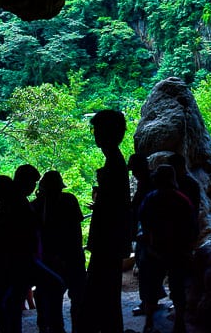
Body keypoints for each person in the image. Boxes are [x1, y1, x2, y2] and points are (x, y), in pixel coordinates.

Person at [77, 109, 132, 333]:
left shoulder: (114, 166)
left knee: (102, 291)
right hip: (111, 243)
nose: (95, 135)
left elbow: (115, 208)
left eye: (97, 130)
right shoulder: (115, 162)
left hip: (107, 243)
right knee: (106, 292)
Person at [0, 166, 44, 333]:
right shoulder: (19, 204)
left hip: (11, 261)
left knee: (4, 302)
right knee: (10, 303)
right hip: (16, 261)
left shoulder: (13, 204)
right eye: (32, 182)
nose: (33, 187)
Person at [137, 164, 198, 333]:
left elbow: (143, 221)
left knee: (151, 288)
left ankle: (148, 322)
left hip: (154, 251)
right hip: (178, 252)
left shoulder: (150, 198)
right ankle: (179, 322)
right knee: (178, 288)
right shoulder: (182, 199)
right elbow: (192, 227)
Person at [31, 169, 86, 333]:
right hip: (71, 256)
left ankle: (52, 328)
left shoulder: (36, 206)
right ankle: (76, 328)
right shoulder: (69, 200)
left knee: (49, 297)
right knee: (76, 297)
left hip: (51, 259)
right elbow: (76, 229)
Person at [128, 152, 161, 318]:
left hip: (147, 233)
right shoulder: (147, 181)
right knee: (148, 266)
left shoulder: (148, 183)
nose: (132, 172)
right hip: (147, 232)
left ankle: (148, 302)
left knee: (146, 266)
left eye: (133, 169)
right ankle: (152, 299)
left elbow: (147, 210)